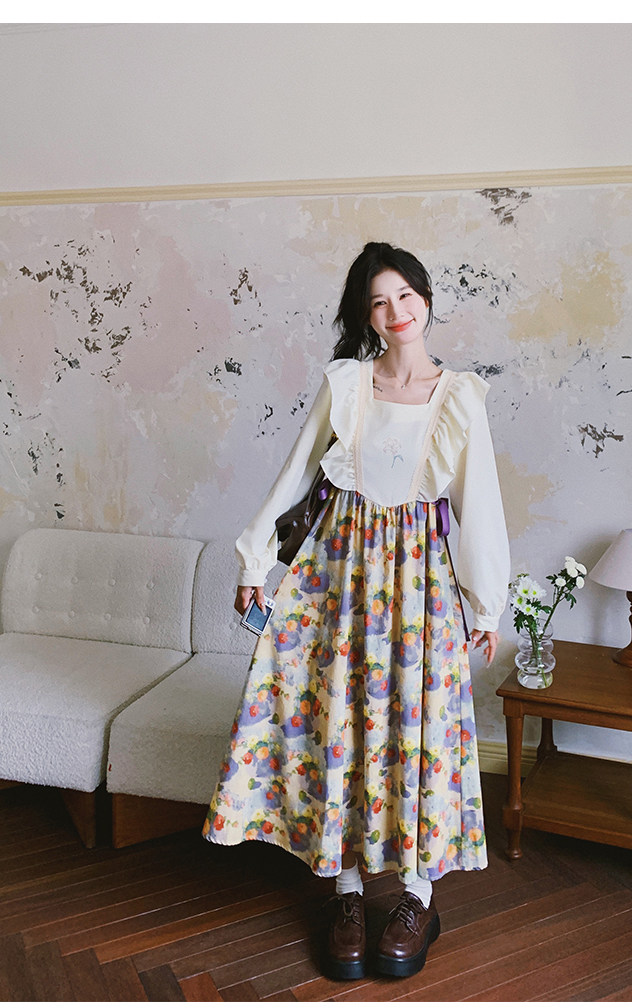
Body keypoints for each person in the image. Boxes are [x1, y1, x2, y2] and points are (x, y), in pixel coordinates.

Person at [203, 242, 510, 980]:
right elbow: (294, 474)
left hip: (419, 584)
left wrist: (486, 603)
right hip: (337, 575)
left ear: (425, 298)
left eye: (405, 295)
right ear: (364, 316)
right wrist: (254, 558)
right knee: (338, 720)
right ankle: (345, 892)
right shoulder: (346, 384)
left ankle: (416, 897)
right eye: (378, 302)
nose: (395, 312)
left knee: (419, 726)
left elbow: (480, 503)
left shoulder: (459, 397)